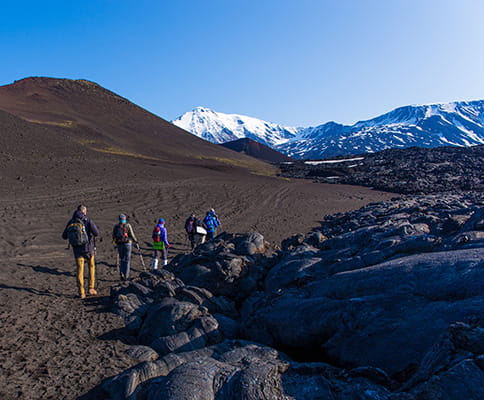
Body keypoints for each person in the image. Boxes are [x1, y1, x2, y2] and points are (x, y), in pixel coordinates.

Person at [62, 204, 100, 299]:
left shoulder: (71, 221)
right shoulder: (88, 220)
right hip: (88, 249)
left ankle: (81, 292)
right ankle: (91, 288)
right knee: (91, 267)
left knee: (80, 270)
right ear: (84, 211)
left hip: (77, 250)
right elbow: (96, 233)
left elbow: (64, 236)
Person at [112, 213, 138, 281]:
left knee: (122, 259)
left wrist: (115, 243)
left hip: (119, 244)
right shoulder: (128, 225)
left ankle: (121, 272)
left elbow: (113, 236)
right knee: (127, 260)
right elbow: (131, 234)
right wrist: (136, 241)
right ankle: (126, 276)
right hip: (127, 244)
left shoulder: (116, 226)